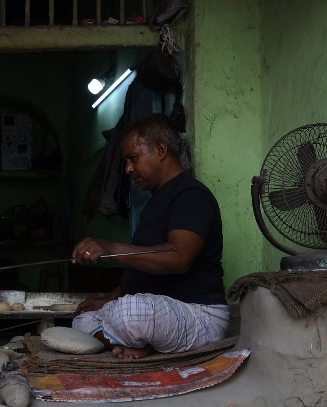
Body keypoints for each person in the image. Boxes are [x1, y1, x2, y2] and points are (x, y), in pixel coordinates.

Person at [71, 114, 230, 360]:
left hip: (199, 315)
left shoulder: (191, 195)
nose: (128, 169)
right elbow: (142, 273)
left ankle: (137, 339)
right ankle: (138, 342)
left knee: (132, 313)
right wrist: (108, 299)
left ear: (160, 150)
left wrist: (109, 247)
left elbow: (178, 258)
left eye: (133, 158)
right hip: (159, 313)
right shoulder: (157, 200)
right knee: (82, 319)